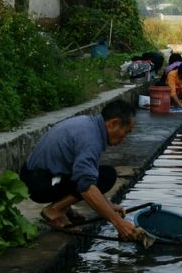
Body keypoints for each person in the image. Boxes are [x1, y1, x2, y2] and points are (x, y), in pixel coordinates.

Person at [20, 99, 140, 240]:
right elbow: (86, 187)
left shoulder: (88, 125)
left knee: (100, 174)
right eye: (126, 132)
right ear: (113, 123)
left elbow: (81, 169)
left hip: (44, 176)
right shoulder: (90, 139)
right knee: (103, 178)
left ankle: (65, 208)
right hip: (40, 183)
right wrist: (119, 224)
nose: (124, 138)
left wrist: (108, 205)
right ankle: (53, 210)